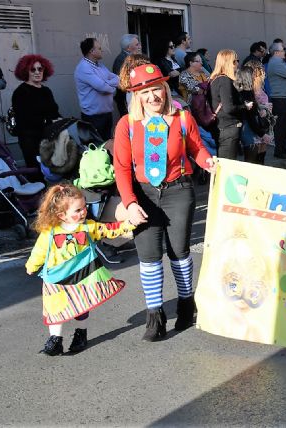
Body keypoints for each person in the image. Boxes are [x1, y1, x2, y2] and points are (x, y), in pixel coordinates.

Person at [112, 64, 215, 341]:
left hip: (179, 189)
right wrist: (130, 203)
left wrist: (210, 163)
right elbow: (121, 168)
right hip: (144, 193)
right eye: (145, 91)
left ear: (165, 89)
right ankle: (154, 316)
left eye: (156, 88)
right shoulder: (126, 125)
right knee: (148, 257)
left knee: (179, 252)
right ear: (137, 95)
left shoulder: (182, 118)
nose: (152, 96)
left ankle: (185, 303)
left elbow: (197, 149)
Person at [25, 183, 136, 356]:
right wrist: (31, 266)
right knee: (56, 310)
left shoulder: (88, 227)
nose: (83, 212)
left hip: (83, 276)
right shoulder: (49, 233)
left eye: (84, 207)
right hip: (57, 280)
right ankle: (55, 340)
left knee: (82, 306)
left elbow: (109, 230)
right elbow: (39, 252)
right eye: (77, 210)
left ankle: (80, 334)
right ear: (61, 215)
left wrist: (129, 224)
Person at [10, 54, 61, 169]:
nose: (37, 72)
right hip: (30, 140)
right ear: (25, 71)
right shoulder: (21, 92)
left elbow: (54, 112)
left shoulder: (46, 90)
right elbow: (24, 119)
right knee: (36, 172)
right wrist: (47, 121)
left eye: (40, 69)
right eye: (32, 69)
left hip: (48, 138)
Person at [74, 37, 120, 139]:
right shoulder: (84, 68)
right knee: (98, 148)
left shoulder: (100, 65)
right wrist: (113, 87)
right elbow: (102, 87)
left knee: (107, 145)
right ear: (92, 51)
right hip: (94, 118)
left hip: (106, 114)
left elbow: (116, 78)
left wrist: (107, 83)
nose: (101, 50)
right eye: (99, 48)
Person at [209, 50, 248, 161]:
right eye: (235, 61)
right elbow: (229, 108)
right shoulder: (224, 80)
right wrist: (244, 106)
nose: (237, 64)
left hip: (220, 126)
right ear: (227, 63)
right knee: (227, 165)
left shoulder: (214, 79)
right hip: (228, 128)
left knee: (222, 163)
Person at [266, 42, 286, 159]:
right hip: (281, 100)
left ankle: (284, 149)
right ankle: (279, 151)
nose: (285, 52)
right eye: (283, 50)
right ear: (276, 52)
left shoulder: (281, 62)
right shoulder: (276, 63)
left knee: (285, 127)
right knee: (280, 127)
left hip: (285, 99)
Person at [112, 34, 142, 116]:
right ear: (128, 48)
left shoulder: (133, 57)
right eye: (137, 45)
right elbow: (123, 82)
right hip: (127, 99)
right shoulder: (121, 60)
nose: (140, 46)